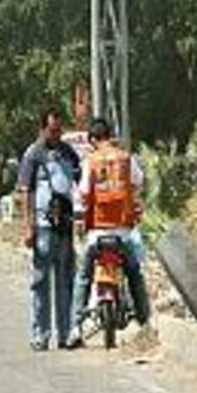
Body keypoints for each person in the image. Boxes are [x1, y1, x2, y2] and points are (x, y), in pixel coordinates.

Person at [66, 116, 151, 348]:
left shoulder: (90, 161)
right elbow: (139, 182)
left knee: (83, 277)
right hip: (123, 231)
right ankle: (146, 322)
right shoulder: (125, 158)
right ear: (109, 135)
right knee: (134, 274)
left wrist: (81, 217)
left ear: (93, 139)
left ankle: (75, 328)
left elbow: (83, 193)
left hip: (97, 233)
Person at [18, 107, 81, 351]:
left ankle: (66, 333)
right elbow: (26, 190)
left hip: (65, 226)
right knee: (41, 281)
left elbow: (80, 179)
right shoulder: (33, 154)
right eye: (52, 130)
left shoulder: (67, 152)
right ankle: (40, 334)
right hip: (43, 226)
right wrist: (28, 225)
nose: (56, 135)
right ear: (42, 128)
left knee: (66, 281)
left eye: (59, 130)